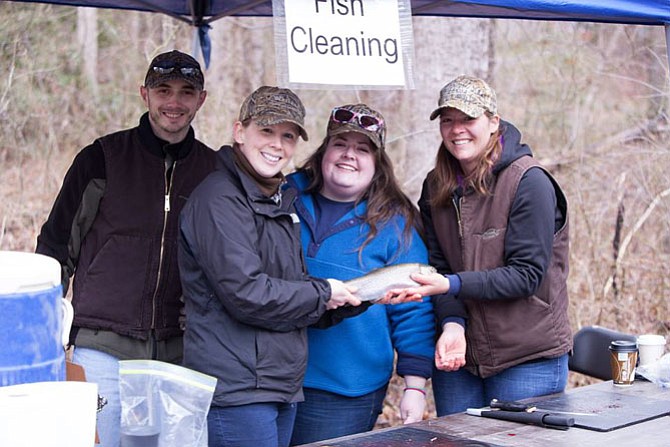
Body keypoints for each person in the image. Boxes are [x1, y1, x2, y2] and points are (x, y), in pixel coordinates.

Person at [35, 50, 216, 446]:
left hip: (180, 352)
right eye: (163, 90)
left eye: (187, 92)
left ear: (201, 99)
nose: (174, 102)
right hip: (103, 347)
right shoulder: (101, 158)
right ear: (144, 94)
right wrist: (42, 329)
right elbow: (56, 246)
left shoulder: (214, 171)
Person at [178, 86, 365, 447]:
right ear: (239, 132)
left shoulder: (277, 199)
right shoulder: (220, 199)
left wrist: (352, 300)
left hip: (277, 385)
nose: (277, 144)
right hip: (237, 390)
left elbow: (287, 291)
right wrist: (323, 292)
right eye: (266, 130)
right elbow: (246, 294)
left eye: (288, 135)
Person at [386, 75, 572, 416]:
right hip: (461, 357)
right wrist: (453, 325)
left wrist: (451, 284)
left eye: (468, 119)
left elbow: (526, 275)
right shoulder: (436, 186)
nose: (457, 129)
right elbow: (439, 266)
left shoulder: (529, 182)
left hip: (526, 358)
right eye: (448, 121)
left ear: (493, 122)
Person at [286, 104, 436, 445]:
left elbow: (414, 310)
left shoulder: (396, 222)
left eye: (363, 148)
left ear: (377, 161)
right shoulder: (284, 196)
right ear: (324, 150)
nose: (349, 155)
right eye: (341, 144)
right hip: (272, 377)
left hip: (346, 389)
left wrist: (414, 385)